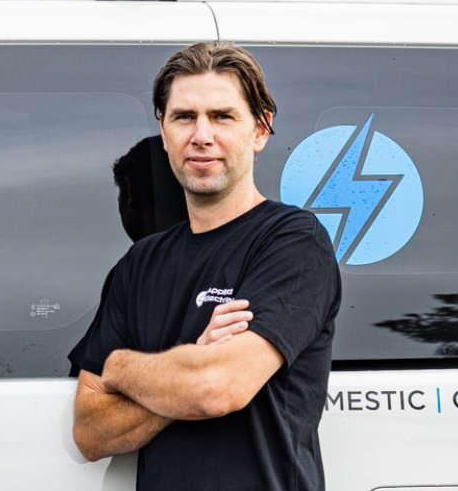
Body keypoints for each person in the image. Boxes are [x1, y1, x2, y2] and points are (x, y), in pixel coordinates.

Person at [69, 41, 340, 490]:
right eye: (183, 117)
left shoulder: (293, 242)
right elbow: (90, 431)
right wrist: (192, 365)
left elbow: (218, 388)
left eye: (222, 116)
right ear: (163, 129)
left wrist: (119, 369)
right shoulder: (140, 263)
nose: (201, 135)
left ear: (260, 130)